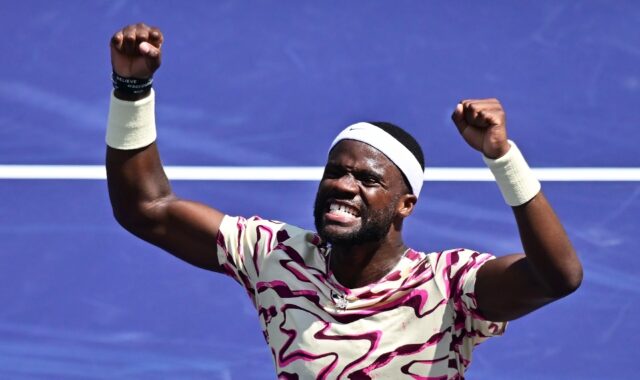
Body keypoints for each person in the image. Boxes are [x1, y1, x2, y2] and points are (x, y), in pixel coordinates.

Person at [106, 23, 583, 379]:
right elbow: (146, 209)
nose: (342, 184)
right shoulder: (278, 257)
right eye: (334, 171)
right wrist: (131, 90)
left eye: (367, 178)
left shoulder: (449, 288)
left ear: (404, 204)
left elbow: (557, 277)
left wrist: (504, 159)